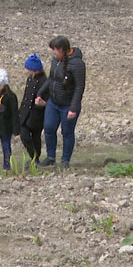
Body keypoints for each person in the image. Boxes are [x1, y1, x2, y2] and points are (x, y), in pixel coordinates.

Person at [36, 36, 86, 170]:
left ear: (63, 49)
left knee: (67, 132)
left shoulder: (77, 64)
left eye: (55, 50)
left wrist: (73, 108)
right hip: (53, 102)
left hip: (68, 105)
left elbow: (79, 87)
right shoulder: (56, 60)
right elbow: (51, 78)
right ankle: (51, 157)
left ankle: (65, 160)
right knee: (49, 128)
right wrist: (40, 93)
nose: (53, 52)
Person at [18, 53, 48, 164]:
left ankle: (35, 159)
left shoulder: (44, 82)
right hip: (25, 113)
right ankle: (34, 156)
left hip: (37, 115)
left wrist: (42, 104)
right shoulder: (30, 79)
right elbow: (26, 97)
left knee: (36, 137)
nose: (25, 70)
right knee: (24, 134)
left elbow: (47, 99)